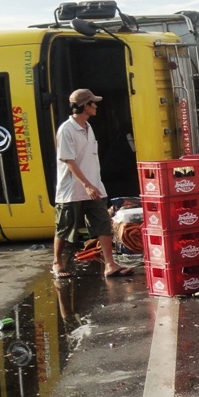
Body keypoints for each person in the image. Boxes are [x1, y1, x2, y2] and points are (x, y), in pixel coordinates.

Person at [52, 89, 131, 279]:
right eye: (93, 103)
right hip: (72, 190)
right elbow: (69, 161)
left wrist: (93, 184)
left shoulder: (88, 127)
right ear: (85, 106)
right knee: (65, 228)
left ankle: (110, 265)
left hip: (94, 187)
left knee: (103, 224)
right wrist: (86, 185)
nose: (96, 106)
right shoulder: (67, 130)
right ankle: (56, 262)